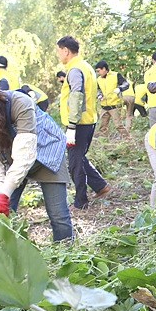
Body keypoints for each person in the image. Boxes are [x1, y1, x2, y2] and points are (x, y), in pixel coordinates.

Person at [0, 71, 72, 242]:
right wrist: (1, 193)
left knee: (58, 215)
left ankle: (66, 255)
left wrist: (4, 193)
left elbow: (24, 153)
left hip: (46, 152)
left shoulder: (19, 103)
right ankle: (2, 256)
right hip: (8, 160)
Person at [56, 35, 111, 211]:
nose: (58, 55)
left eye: (58, 51)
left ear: (66, 51)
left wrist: (71, 125)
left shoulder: (74, 70)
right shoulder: (86, 67)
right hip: (88, 120)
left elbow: (77, 95)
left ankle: (80, 202)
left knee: (74, 163)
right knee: (79, 158)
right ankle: (100, 186)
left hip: (78, 123)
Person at [94, 60, 130, 138]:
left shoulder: (116, 75)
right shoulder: (98, 79)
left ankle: (128, 139)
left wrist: (119, 88)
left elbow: (126, 84)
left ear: (104, 69)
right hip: (104, 106)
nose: (98, 73)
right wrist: (99, 95)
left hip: (114, 105)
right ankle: (104, 142)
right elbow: (98, 89)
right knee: (102, 126)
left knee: (118, 125)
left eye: (98, 71)